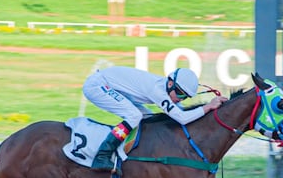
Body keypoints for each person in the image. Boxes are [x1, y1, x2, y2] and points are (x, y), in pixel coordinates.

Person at [82, 66, 228, 172]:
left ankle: (135, 154)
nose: (180, 98)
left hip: (111, 86)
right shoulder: (157, 91)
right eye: (180, 93)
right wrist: (208, 106)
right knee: (134, 115)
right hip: (97, 86)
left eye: (185, 96)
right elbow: (182, 118)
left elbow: (181, 113)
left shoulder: (165, 87)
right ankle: (102, 156)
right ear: (170, 83)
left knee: (148, 117)